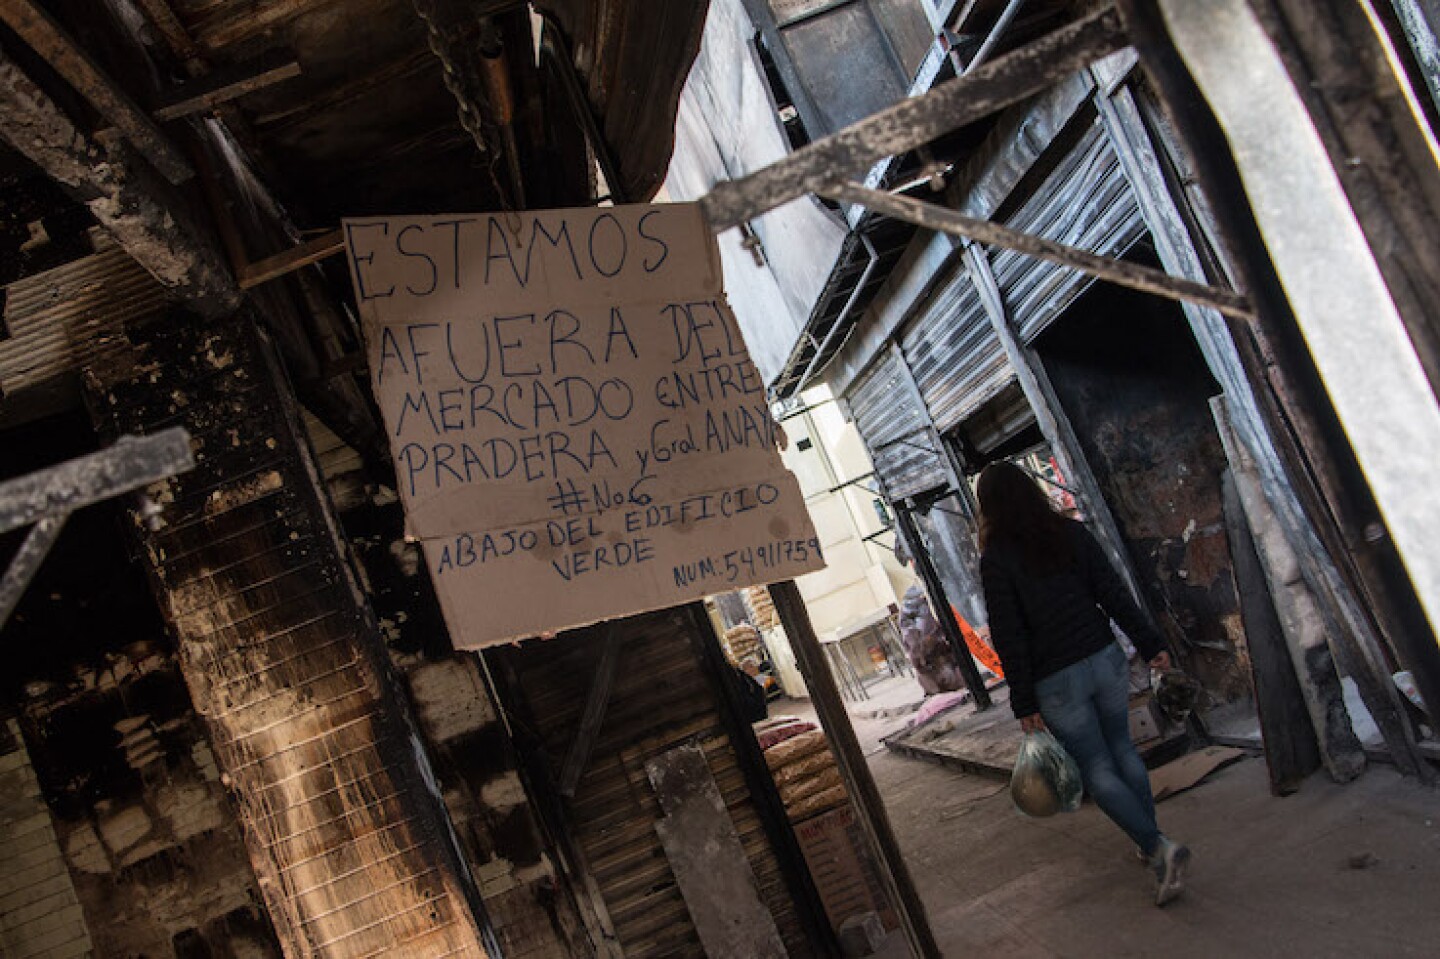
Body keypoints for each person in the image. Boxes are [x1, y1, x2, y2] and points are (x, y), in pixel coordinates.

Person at [976, 461, 1191, 906]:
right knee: (1124, 751)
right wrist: (1150, 643)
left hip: (1056, 680)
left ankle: (1157, 847)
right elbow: (1112, 592)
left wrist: (1022, 702)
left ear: (989, 508)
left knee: (1097, 769)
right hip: (1104, 660)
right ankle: (1147, 838)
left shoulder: (996, 559)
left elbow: (1009, 634)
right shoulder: (1070, 533)